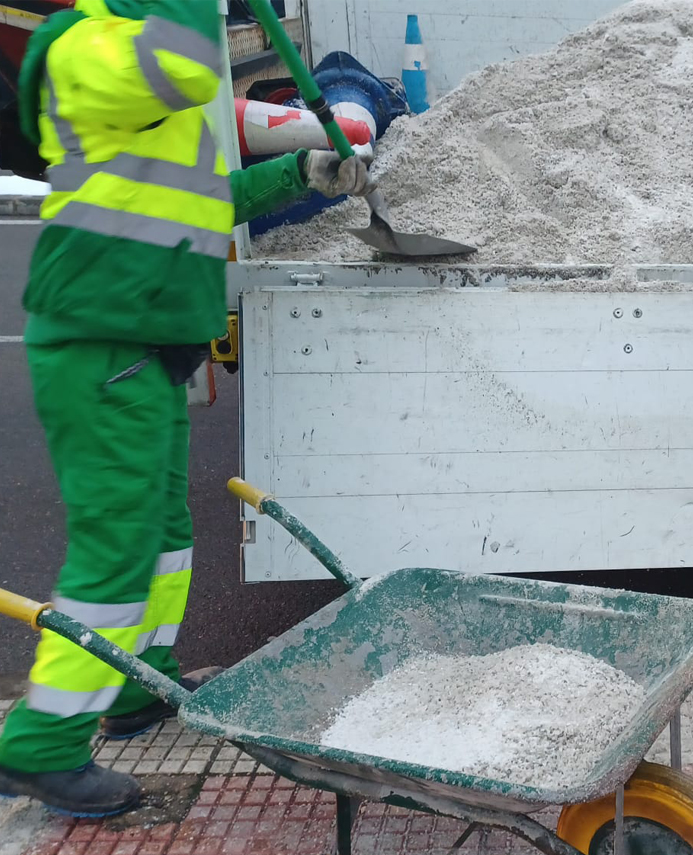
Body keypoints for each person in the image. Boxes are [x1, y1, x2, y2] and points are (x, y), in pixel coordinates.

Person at [0, 0, 376, 816]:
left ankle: (139, 683)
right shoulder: (85, 47)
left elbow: (199, 207)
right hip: (101, 341)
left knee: (165, 534)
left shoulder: (152, 84)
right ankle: (41, 743)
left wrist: (301, 173)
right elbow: (183, 59)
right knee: (118, 545)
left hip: (144, 348)